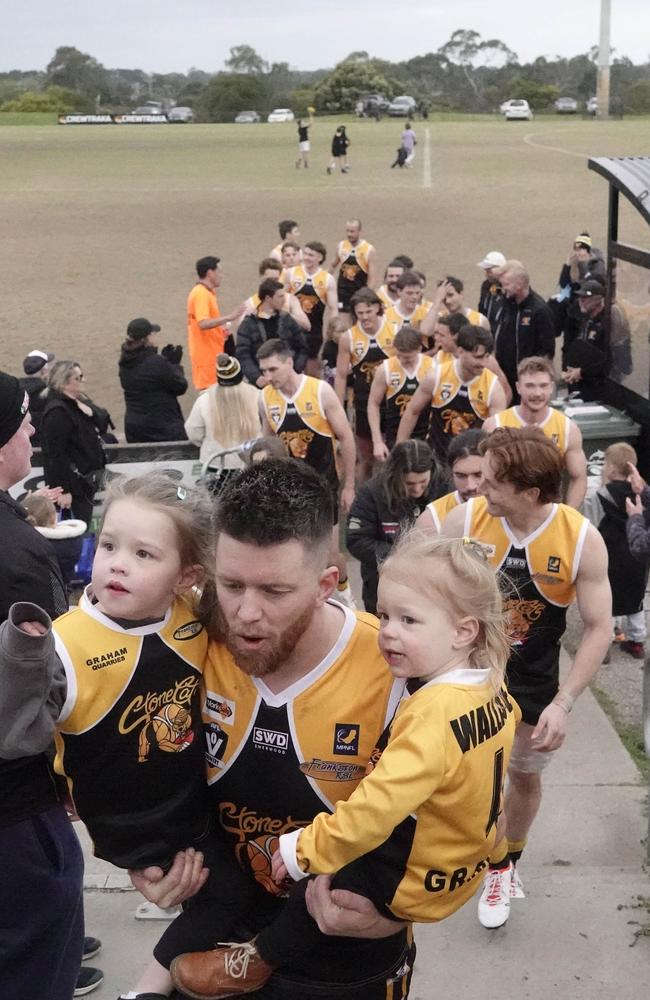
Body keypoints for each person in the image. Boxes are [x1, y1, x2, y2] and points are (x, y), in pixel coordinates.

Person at [170, 532, 519, 999]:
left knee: (325, 885)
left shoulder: (432, 714)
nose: (389, 632)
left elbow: (373, 809)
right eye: (386, 614)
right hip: (460, 862)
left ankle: (258, 958)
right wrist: (495, 854)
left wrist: (304, 850)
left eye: (410, 620)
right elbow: (493, 785)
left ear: (463, 631)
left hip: (410, 871)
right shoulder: (493, 692)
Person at [130, 459, 414, 1000]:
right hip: (212, 943)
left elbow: (473, 817)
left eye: (275, 591)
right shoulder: (188, 641)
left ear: (326, 583)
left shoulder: (396, 668)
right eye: (231, 584)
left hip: (346, 958)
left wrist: (401, 911)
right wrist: (143, 854)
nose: (246, 613)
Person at [0, 472, 262, 1000]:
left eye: (144, 555)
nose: (118, 562)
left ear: (186, 576)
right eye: (110, 544)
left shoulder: (193, 619)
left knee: (251, 893)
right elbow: (13, 733)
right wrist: (20, 653)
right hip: (136, 828)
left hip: (198, 806)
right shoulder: (66, 642)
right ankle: (150, 988)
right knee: (231, 898)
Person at [442, 427, 611, 929]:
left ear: (530, 492)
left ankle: (505, 862)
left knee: (521, 776)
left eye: (492, 482)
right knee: (468, 780)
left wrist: (565, 702)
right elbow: (421, 587)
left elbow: (600, 628)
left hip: (534, 687)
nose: (478, 488)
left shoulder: (579, 538)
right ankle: (484, 856)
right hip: (467, 675)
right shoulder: (464, 519)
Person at [0, 370, 85, 1000]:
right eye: (22, 418)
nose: (32, 428)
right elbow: (47, 689)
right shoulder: (15, 553)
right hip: (15, 812)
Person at [257, 338, 357, 607]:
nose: (267, 377)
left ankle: (347, 596)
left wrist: (349, 486)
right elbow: (267, 444)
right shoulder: (265, 398)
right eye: (264, 371)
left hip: (324, 488)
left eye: (273, 369)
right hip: (289, 491)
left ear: (289, 363)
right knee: (293, 553)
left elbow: (346, 438)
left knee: (330, 556)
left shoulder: (319, 391)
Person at [346, 439, 441, 611]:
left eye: (423, 482)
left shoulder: (443, 487)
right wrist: (403, 557)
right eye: (410, 484)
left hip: (431, 585)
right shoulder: (371, 493)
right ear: (395, 475)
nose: (418, 489)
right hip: (382, 584)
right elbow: (356, 541)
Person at [483, 356, 588, 509]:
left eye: (543, 386)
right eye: (530, 386)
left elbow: (579, 477)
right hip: (506, 511)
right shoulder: (495, 425)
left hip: (547, 512)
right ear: (518, 387)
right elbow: (484, 475)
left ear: (551, 387)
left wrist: (568, 515)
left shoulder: (567, 428)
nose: (537, 393)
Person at [397, 325, 507, 460]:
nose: (483, 363)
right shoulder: (436, 376)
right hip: (435, 457)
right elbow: (412, 411)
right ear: (460, 351)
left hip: (470, 462)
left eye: (486, 357)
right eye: (477, 357)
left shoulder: (494, 388)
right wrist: (399, 450)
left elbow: (496, 435)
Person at [334, 288, 395, 481]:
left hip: (393, 402)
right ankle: (363, 498)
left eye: (369, 312)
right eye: (360, 313)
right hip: (362, 402)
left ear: (378, 307)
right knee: (367, 457)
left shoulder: (394, 330)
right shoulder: (349, 338)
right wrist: (338, 408)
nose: (365, 317)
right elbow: (342, 376)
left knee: (395, 456)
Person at [40, 360, 107, 526]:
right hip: (73, 488)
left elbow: (104, 422)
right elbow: (55, 455)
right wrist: (64, 491)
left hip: (84, 485)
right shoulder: (58, 412)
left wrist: (91, 412)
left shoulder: (78, 403)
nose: (83, 380)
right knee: (75, 532)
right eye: (79, 377)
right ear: (65, 381)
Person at [597, 443, 647, 660]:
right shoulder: (640, 494)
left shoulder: (602, 495)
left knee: (608, 601)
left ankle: (605, 643)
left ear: (611, 469)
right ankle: (637, 642)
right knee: (635, 600)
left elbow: (593, 520)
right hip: (637, 559)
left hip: (611, 555)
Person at [367, 325, 436, 459]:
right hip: (394, 432)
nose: (403, 360)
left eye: (408, 357)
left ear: (419, 349)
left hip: (426, 434)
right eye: (399, 356)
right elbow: (373, 404)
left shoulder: (433, 367)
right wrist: (377, 441)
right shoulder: (385, 369)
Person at [493, 260, 555, 400]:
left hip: (526, 383)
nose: (503, 288)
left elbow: (547, 351)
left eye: (506, 284)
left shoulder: (539, 310)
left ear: (519, 284)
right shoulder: (507, 304)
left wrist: (533, 379)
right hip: (505, 379)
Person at [118, 317, 188, 443]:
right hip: (163, 429)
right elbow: (181, 386)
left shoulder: (124, 364)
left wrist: (166, 364)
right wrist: (174, 365)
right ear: (147, 338)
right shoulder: (157, 362)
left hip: (135, 429)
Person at [184, 354, 261, 466]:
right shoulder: (258, 396)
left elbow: (193, 432)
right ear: (240, 375)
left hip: (213, 464)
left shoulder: (204, 399)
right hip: (250, 464)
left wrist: (210, 443)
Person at [562, 279, 632, 400]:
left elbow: (609, 360)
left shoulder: (608, 321)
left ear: (598, 299)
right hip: (584, 383)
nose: (581, 301)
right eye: (580, 297)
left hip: (601, 388)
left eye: (586, 297)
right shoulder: (586, 320)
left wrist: (581, 372)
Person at [186, 256, 246, 390]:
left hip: (211, 355)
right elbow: (203, 323)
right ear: (210, 273)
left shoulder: (207, 293)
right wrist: (228, 318)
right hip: (207, 359)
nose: (222, 275)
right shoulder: (201, 294)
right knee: (210, 397)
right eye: (219, 271)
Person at [236, 278, 308, 387]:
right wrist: (256, 377)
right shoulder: (248, 325)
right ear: (268, 298)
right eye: (280, 296)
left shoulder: (287, 319)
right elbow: (242, 355)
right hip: (261, 386)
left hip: (288, 383)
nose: (284, 300)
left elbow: (302, 348)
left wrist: (293, 370)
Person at [284, 240, 338, 375]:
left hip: (314, 332)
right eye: (305, 254)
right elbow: (282, 300)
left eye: (311, 255)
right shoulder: (291, 273)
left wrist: (331, 333)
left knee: (312, 372)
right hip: (292, 330)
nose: (306, 258)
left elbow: (333, 309)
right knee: (290, 368)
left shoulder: (327, 279)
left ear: (320, 258)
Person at [417, 428, 486, 532]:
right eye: (461, 476)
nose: (470, 486)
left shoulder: (514, 511)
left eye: (478, 475)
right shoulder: (432, 520)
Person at [21, 492, 86, 591]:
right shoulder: (71, 542)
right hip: (59, 597)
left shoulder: (25, 543)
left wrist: (20, 506)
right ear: (53, 518)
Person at [234, 258, 310, 338]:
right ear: (261, 277)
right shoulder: (251, 304)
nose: (272, 283)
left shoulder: (288, 299)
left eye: (276, 279)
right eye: (269, 279)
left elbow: (306, 326)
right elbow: (240, 331)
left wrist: (284, 313)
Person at [329, 219, 378, 314]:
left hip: (359, 293)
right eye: (347, 231)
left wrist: (366, 295)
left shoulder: (369, 250)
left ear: (360, 231)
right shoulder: (341, 246)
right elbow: (332, 266)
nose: (349, 234)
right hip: (342, 292)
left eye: (352, 231)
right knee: (342, 320)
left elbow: (372, 279)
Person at [18, 349, 54, 446]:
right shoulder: (49, 392)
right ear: (44, 370)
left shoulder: (14, 389)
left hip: (20, 443)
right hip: (43, 443)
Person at [384, 271, 434, 336]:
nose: (415, 297)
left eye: (417, 293)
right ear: (399, 292)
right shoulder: (385, 316)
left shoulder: (427, 314)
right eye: (409, 293)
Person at [477, 251, 506, 331]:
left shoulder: (509, 288)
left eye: (489, 271)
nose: (487, 275)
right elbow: (482, 309)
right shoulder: (486, 285)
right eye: (486, 271)